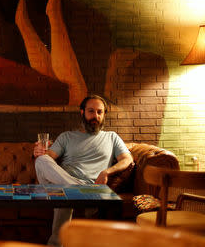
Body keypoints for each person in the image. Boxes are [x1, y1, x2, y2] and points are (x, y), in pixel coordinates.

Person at [33, 94, 134, 246]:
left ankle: (55, 243)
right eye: (91, 111)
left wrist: (106, 172)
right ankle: (80, 192)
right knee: (41, 160)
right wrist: (39, 151)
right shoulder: (67, 136)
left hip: (75, 187)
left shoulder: (111, 137)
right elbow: (49, 158)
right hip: (79, 188)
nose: (96, 116)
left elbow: (127, 159)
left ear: (104, 115)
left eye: (99, 112)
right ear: (82, 113)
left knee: (63, 192)